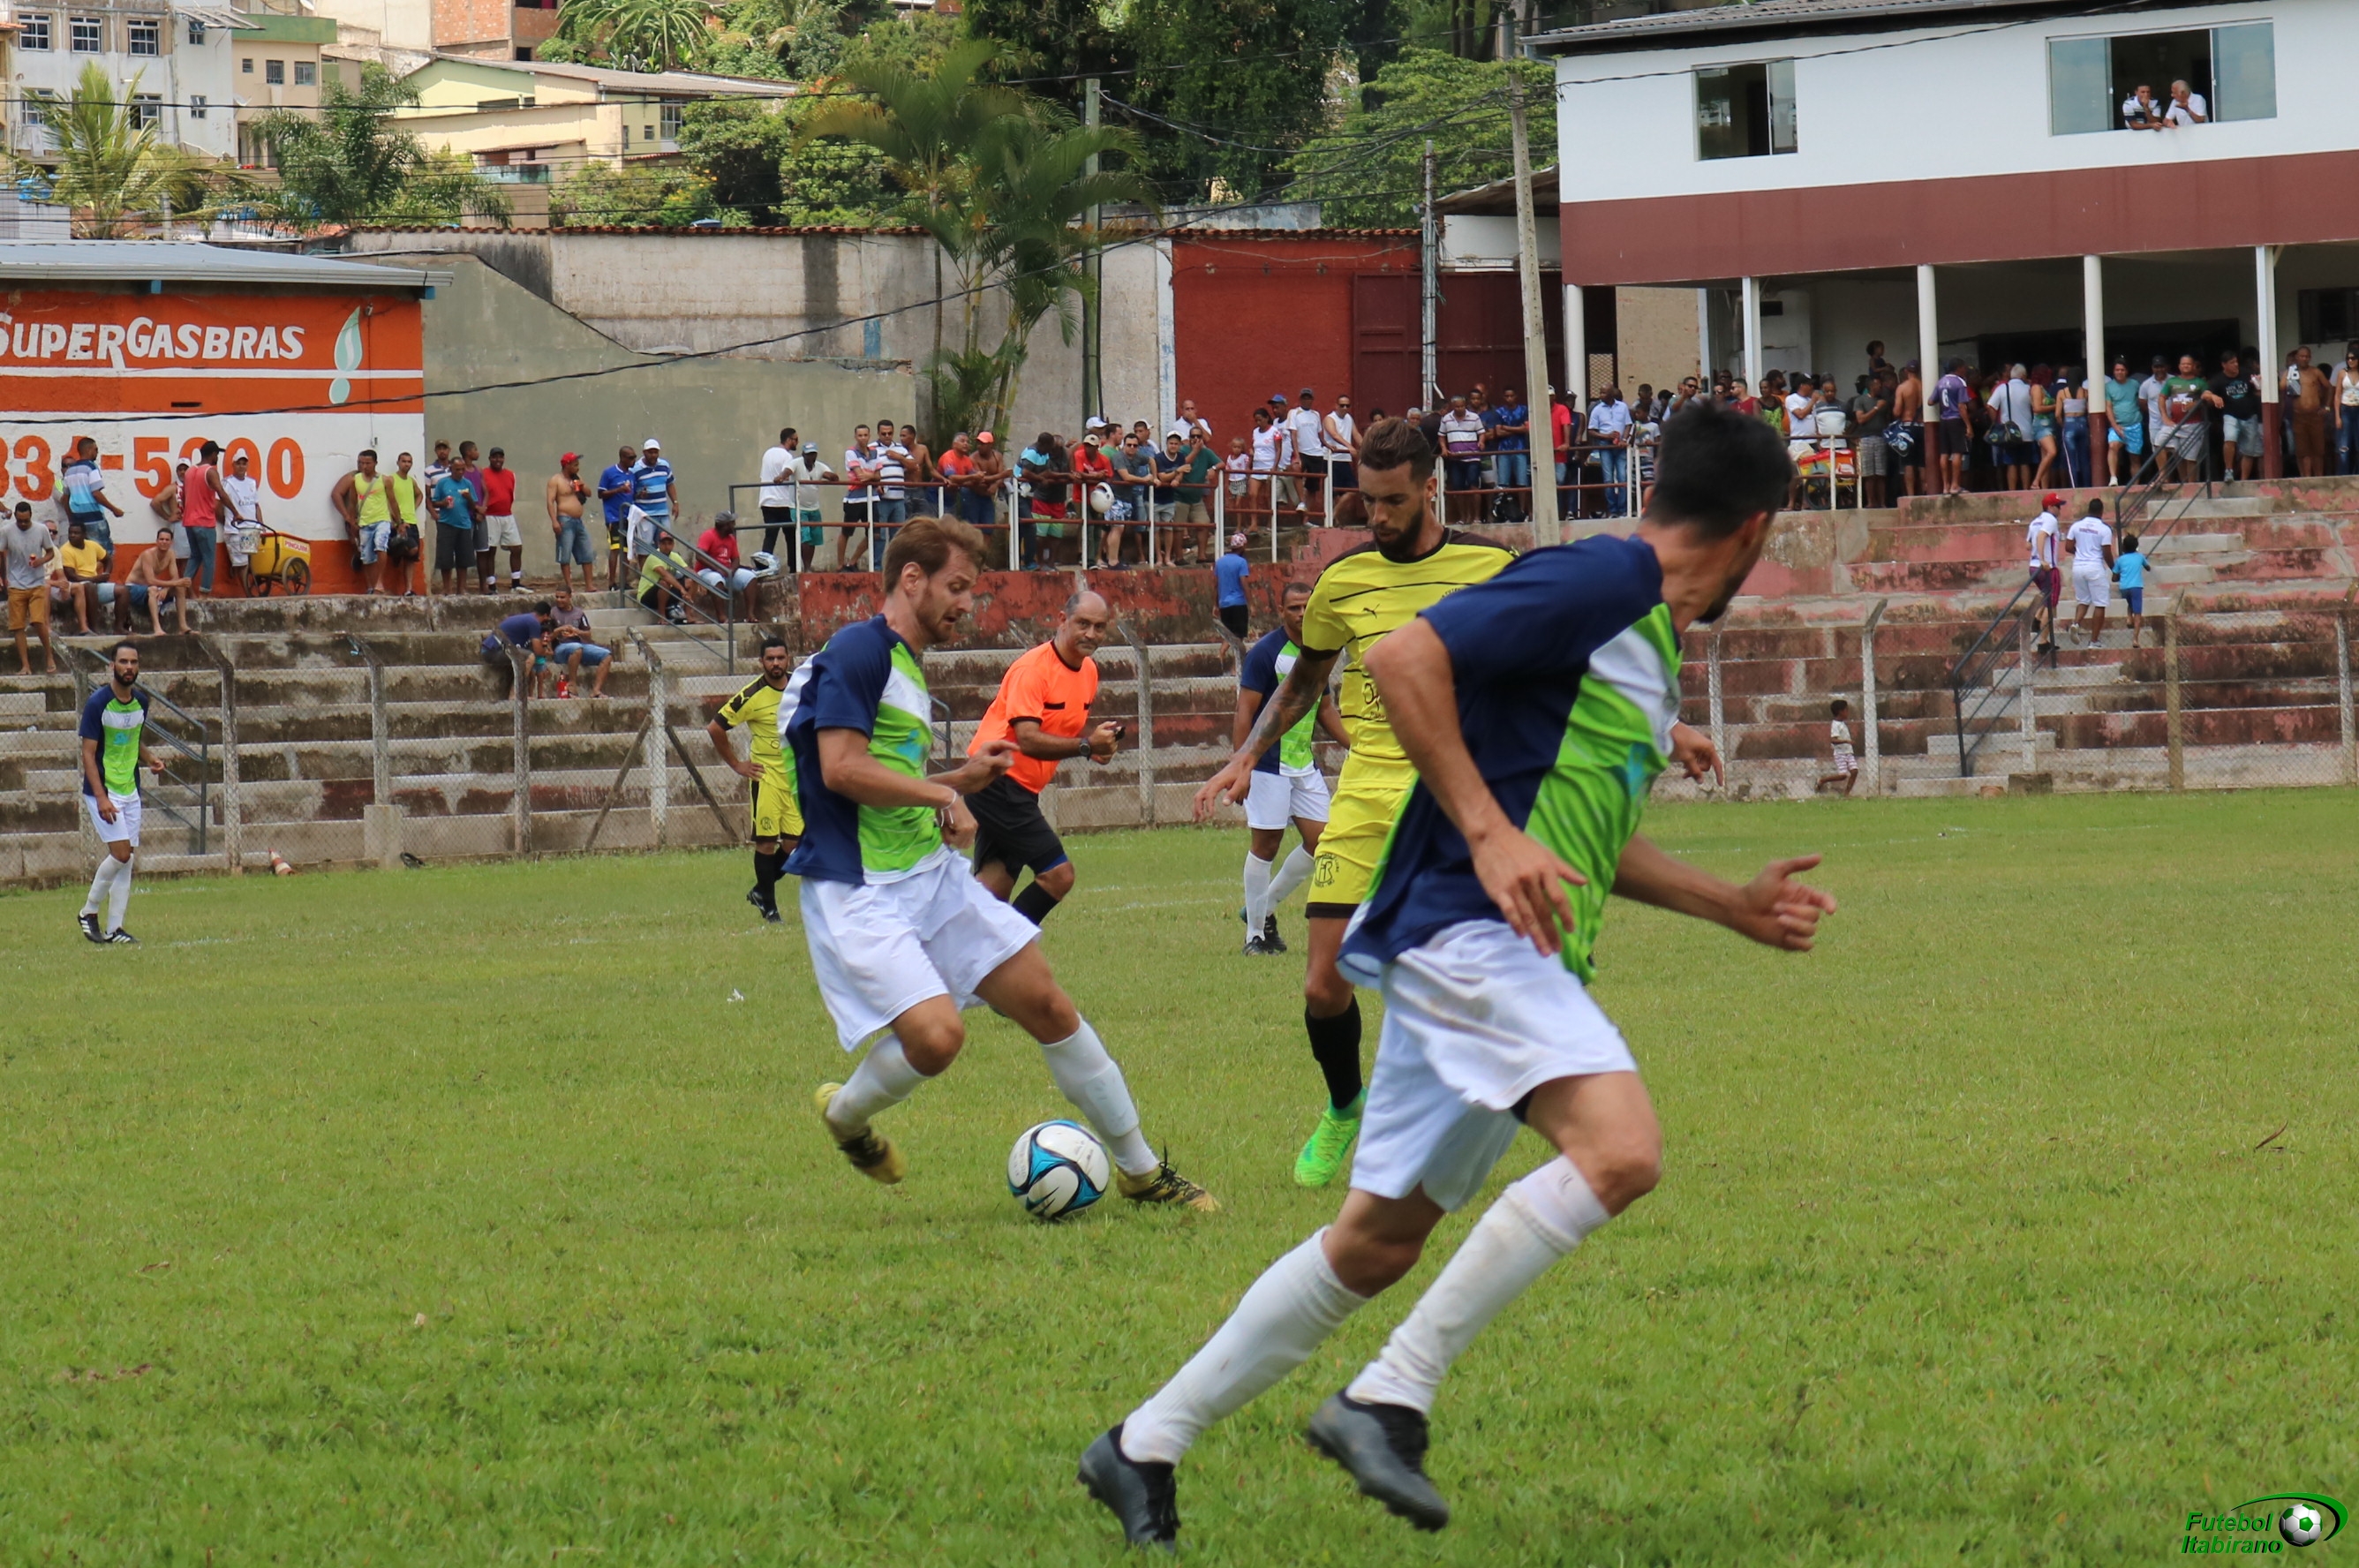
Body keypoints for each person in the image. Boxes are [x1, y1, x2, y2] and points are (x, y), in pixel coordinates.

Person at [1082, 406, 1830, 1549]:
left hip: (1490, 947)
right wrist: (1485, 832)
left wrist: (1726, 904)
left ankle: (1141, 1444)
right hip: (1469, 936)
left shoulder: (1641, 634)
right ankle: (1389, 1395)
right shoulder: (1604, 580)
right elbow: (1401, 658)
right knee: (1621, 1151)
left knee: (1372, 1245)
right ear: (1755, 529)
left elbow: (1578, 836)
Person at [785, 517, 1214, 1209]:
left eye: (971, 590)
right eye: (957, 587)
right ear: (912, 578)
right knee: (937, 1039)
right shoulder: (860, 650)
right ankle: (846, 1116)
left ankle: (1142, 1173)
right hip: (860, 889)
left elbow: (883, 780)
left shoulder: (904, 664)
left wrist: (958, 780)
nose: (967, 603)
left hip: (928, 875)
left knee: (1047, 1003)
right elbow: (840, 769)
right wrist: (942, 795)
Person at [1191, 418, 1519, 1192]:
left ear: (1431, 488)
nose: (1378, 516)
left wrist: (1661, 725)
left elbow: (1559, 655)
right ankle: (1345, 1107)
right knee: (1321, 984)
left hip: (1457, 795)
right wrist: (1245, 756)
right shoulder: (1344, 579)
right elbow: (1304, 681)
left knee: (1450, 979)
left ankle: (1445, 1122)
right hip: (1368, 790)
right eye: (1368, 501)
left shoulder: (1492, 568)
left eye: (1394, 500)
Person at [965, 591, 1121, 926]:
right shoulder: (1032, 670)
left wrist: (1096, 748)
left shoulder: (1089, 671)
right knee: (1058, 876)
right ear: (1062, 620)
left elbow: (1059, 728)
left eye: (1099, 627)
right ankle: (1010, 946)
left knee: (991, 890)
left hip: (1020, 789)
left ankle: (955, 943)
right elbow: (1027, 739)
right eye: (1083, 624)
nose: (1091, 634)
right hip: (996, 780)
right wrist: (1085, 746)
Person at [1237, 581, 1347, 955]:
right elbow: (1245, 711)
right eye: (1294, 608)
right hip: (1268, 765)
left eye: (1306, 607)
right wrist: (1241, 765)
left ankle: (1264, 906)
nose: (1301, 614)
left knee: (1322, 843)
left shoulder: (1319, 650)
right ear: (1281, 612)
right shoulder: (1266, 653)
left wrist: (1357, 746)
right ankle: (1255, 936)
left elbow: (1325, 709)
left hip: (1303, 765)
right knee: (1266, 845)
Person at [708, 633, 803, 923]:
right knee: (766, 842)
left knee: (794, 843)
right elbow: (715, 728)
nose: (776, 663)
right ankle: (770, 909)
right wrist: (737, 764)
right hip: (766, 776)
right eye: (770, 658)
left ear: (788, 659)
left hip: (795, 777)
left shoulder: (802, 688)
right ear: (761, 661)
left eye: (780, 658)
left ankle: (762, 890)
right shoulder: (751, 695)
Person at [76, 641, 165, 946]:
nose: (129, 667)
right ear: (111, 665)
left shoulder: (141, 702)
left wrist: (150, 759)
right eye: (123, 661)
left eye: (133, 662)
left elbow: (133, 739)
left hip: (130, 789)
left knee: (127, 860)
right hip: (104, 790)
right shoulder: (98, 703)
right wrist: (101, 797)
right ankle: (88, 911)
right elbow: (88, 754)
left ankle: (115, 929)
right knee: (121, 853)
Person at [333, 449, 396, 595]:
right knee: (366, 555)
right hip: (359, 520)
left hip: (379, 519)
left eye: (367, 463)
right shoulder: (353, 478)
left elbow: (391, 501)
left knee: (379, 546)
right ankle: (371, 587)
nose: (363, 466)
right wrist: (348, 517)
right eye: (360, 463)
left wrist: (396, 520)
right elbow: (337, 494)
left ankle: (377, 585)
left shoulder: (381, 479)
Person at [8, 501, 59, 672]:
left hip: (36, 583)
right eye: (20, 521)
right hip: (15, 584)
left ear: (31, 516)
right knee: (17, 626)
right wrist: (4, 578)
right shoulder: (6, 531)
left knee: (38, 621)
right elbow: (1, 554)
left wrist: (40, 561)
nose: (23, 524)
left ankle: (49, 657)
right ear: (15, 516)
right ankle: (25, 665)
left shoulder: (41, 530)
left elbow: (51, 552)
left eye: (26, 521)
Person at [2064, 497, 2116, 647]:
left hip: (2078, 567)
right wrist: (2114, 569)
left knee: (2083, 600)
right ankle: (2094, 641)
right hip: (2095, 568)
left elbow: (2068, 547)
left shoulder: (2076, 526)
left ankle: (2076, 623)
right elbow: (2107, 552)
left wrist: (2081, 553)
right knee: (2100, 604)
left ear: (2088, 510)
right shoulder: (2104, 529)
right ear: (2101, 511)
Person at [124, 526, 192, 636]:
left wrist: (166, 589)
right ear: (157, 541)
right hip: (133, 588)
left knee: (179, 588)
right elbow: (150, 580)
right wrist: (174, 583)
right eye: (161, 539)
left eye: (167, 540)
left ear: (171, 542)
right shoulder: (148, 555)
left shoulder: (171, 554)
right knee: (153, 589)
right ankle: (157, 628)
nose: (164, 542)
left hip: (152, 587)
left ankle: (183, 626)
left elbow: (175, 577)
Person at [546, 587, 613, 698]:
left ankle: (596, 690)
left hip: (580, 645)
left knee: (607, 655)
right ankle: (572, 683)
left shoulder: (579, 613)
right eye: (557, 597)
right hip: (560, 648)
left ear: (570, 597)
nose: (559, 600)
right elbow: (547, 637)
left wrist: (576, 632)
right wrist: (559, 630)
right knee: (576, 648)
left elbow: (588, 634)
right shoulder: (552, 613)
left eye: (562, 597)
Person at [60, 436, 123, 553]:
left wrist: (71, 520)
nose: (97, 453)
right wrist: (114, 509)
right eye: (95, 449)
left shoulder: (69, 471)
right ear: (89, 450)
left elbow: (65, 499)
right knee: (104, 553)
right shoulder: (91, 467)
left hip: (78, 520)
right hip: (94, 518)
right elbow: (96, 494)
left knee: (83, 553)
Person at [2210, 350, 2265, 481]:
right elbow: (2205, 393)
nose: (2235, 365)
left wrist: (2258, 382)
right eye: (2232, 362)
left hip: (2250, 416)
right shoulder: (2218, 379)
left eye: (2236, 362)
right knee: (2230, 439)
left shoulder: (2246, 373)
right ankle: (2229, 471)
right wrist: (2213, 396)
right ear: (2224, 365)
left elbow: (2258, 390)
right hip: (2231, 415)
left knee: (2249, 450)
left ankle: (2243, 480)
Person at [52, 517, 111, 635]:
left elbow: (108, 559)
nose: (72, 535)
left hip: (94, 581)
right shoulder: (65, 550)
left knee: (123, 591)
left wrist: (106, 574)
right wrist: (94, 579)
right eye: (70, 533)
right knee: (89, 586)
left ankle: (121, 627)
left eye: (76, 533)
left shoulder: (92, 545)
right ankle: (93, 628)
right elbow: (72, 576)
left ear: (84, 535)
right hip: (79, 583)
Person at [430, 454, 477, 596]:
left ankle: (461, 588)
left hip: (464, 524)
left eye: (462, 469)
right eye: (457, 470)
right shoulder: (443, 483)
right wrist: (443, 503)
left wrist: (469, 498)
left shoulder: (467, 484)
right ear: (451, 469)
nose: (460, 472)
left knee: (463, 559)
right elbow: (434, 502)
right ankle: (447, 588)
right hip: (446, 523)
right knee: (445, 558)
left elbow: (474, 506)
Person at [479, 447, 524, 592]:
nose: (497, 460)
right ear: (490, 459)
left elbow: (510, 494)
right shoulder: (483, 474)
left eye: (500, 457)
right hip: (490, 516)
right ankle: (491, 584)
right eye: (494, 457)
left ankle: (516, 583)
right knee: (490, 550)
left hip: (507, 515)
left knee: (516, 547)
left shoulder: (510, 474)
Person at [1436, 397, 1485, 524]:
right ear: (1453, 406)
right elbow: (1441, 435)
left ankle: (1476, 517)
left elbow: (1481, 432)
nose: (1460, 409)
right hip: (1455, 458)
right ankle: (1463, 517)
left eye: (1462, 406)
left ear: (1465, 405)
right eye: (1457, 407)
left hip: (1472, 457)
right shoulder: (1446, 419)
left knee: (1474, 486)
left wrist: (1481, 442)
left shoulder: (1474, 417)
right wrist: (1444, 448)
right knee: (1458, 489)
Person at [1586, 387, 1633, 516]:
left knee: (1623, 477)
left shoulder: (1623, 407)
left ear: (1612, 394)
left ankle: (1623, 510)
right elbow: (1591, 430)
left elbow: (1628, 425)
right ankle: (1612, 510)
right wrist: (1606, 436)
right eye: (1600, 392)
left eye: (1604, 393)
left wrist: (1624, 439)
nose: (1601, 395)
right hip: (1605, 445)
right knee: (1608, 479)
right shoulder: (1597, 410)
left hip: (1620, 445)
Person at [2026, 492, 2063, 652]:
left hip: (2033, 566)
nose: (2060, 509)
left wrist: (2037, 554)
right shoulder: (2051, 520)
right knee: (2051, 605)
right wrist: (2043, 559)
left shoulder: (2035, 521)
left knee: (2046, 595)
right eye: (2058, 506)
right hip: (2047, 567)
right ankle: (2043, 641)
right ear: (2050, 507)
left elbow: (2028, 544)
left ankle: (2036, 618)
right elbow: (2041, 536)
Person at [598, 444, 637, 590]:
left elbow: (632, 495)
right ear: (622, 458)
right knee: (616, 549)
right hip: (614, 517)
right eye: (631, 458)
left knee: (626, 551)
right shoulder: (609, 473)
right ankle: (611, 582)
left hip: (629, 518)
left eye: (635, 457)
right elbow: (601, 494)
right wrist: (619, 489)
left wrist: (641, 494)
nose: (634, 460)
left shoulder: (631, 475)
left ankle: (624, 582)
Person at [631, 438, 677, 565]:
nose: (653, 455)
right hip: (645, 515)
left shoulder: (664, 465)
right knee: (644, 549)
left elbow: (670, 484)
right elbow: (630, 492)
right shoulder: (636, 469)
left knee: (665, 546)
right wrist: (639, 494)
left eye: (655, 452)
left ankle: (664, 573)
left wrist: (675, 502)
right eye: (650, 452)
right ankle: (645, 574)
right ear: (644, 452)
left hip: (663, 513)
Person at [2288, 346, 2333, 478]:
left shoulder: (2316, 372)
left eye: (2307, 356)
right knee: (2303, 451)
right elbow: (2280, 387)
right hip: (2299, 417)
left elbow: (2329, 387)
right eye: (2302, 356)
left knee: (2318, 450)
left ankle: (2319, 478)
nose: (2304, 359)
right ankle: (2306, 479)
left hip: (2315, 416)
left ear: (2310, 358)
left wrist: (2327, 407)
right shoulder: (2291, 373)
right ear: (2297, 357)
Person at [843, 425, 881, 571]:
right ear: (855, 437)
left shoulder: (874, 452)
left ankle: (852, 562)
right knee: (847, 532)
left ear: (869, 436)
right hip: (855, 498)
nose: (863, 438)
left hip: (872, 498)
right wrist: (873, 476)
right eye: (860, 435)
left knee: (875, 534)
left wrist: (871, 476)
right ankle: (840, 564)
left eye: (865, 435)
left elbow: (878, 477)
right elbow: (860, 477)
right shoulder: (851, 452)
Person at [757, 427, 799, 559]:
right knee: (791, 536)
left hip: (766, 500)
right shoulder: (787, 457)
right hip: (782, 501)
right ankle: (794, 566)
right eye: (795, 439)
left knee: (770, 536)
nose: (797, 443)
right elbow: (785, 476)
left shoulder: (767, 453)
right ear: (789, 440)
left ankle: (764, 565)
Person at [2103, 359, 2144, 485]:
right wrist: (2115, 426)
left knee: (2135, 458)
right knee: (2113, 446)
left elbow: (2141, 401)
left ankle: (2135, 485)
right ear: (2113, 371)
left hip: (2135, 424)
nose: (2119, 372)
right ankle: (2113, 478)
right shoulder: (2108, 387)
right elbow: (2108, 407)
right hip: (2118, 425)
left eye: (2122, 370)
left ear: (2127, 371)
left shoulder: (2135, 384)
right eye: (2117, 370)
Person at [638, 529, 691, 623]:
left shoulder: (675, 556)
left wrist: (701, 582)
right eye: (664, 543)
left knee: (691, 581)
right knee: (664, 583)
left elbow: (688, 570)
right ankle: (662, 617)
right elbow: (665, 575)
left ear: (673, 545)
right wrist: (681, 589)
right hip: (647, 596)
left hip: (667, 593)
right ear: (659, 544)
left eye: (669, 543)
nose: (667, 546)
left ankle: (689, 615)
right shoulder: (654, 556)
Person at [1934, 358, 1971, 494]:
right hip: (1956, 420)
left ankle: (1946, 486)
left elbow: (1931, 401)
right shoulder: (1960, 382)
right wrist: (1968, 425)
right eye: (1964, 367)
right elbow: (1962, 406)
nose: (1965, 370)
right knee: (1957, 452)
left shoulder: (1940, 382)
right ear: (1959, 368)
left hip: (1944, 420)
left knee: (1944, 453)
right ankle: (1955, 485)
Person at [1817, 697, 1860, 795]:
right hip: (1840, 754)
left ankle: (1846, 794)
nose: (1848, 712)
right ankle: (1822, 780)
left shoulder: (1842, 723)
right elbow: (1833, 740)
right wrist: (1846, 741)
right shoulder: (1835, 725)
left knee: (1854, 771)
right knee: (1843, 776)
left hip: (1848, 752)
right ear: (1840, 712)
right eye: (1846, 710)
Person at [1215, 532, 1252, 643]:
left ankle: (1225, 652)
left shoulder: (1219, 562)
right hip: (1238, 603)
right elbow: (1244, 584)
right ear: (1243, 546)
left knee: (1229, 634)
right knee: (1238, 635)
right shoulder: (1241, 562)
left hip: (1224, 604)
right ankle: (1223, 651)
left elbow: (1216, 585)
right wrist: (1251, 604)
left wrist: (1215, 605)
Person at [2114, 531, 2150, 646]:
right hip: (2136, 587)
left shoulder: (2120, 559)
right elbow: (2148, 567)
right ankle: (2135, 639)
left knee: (2130, 603)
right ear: (2136, 547)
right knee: (2138, 613)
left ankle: (2129, 617)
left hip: (2124, 587)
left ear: (2124, 547)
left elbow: (2114, 576)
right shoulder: (2140, 557)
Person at [1323, 394, 1360, 496]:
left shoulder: (1349, 418)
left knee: (1353, 490)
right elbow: (1334, 434)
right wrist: (1349, 447)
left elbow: (1356, 434)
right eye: (1342, 405)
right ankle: (1334, 507)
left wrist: (1366, 446)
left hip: (1345, 460)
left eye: (1347, 406)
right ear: (1336, 406)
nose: (1345, 408)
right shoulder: (1329, 418)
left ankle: (1337, 508)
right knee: (1333, 493)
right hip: (1332, 460)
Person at [2335, 348, 2359, 477]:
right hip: (2346, 409)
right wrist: (2337, 416)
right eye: (2348, 358)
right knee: (2344, 445)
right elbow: (2337, 395)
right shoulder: (2342, 373)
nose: (2350, 361)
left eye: (2353, 358)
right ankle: (2344, 474)